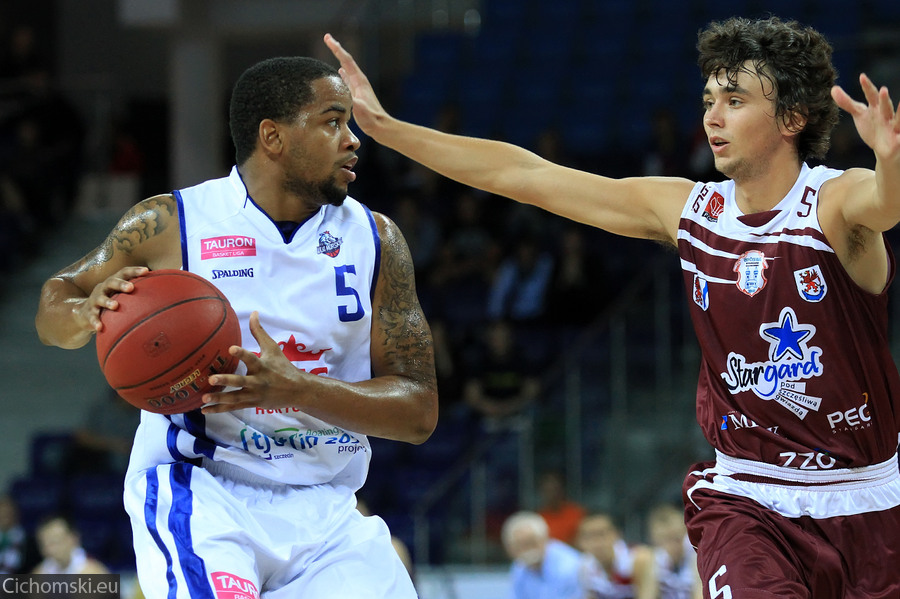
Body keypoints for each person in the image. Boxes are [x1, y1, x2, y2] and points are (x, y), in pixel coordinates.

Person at [326, 14, 900, 598]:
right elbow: (523, 174)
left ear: (792, 118)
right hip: (747, 499)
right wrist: (389, 129)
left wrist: (893, 158)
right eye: (708, 100)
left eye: (735, 100)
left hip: (867, 502)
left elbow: (886, 200)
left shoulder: (833, 204)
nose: (713, 116)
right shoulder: (689, 210)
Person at [34, 56, 438, 598]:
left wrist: (300, 390)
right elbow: (56, 299)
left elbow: (418, 413)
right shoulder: (171, 222)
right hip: (203, 490)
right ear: (272, 136)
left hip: (327, 507)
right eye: (332, 122)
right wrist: (83, 314)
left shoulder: (377, 239)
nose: (352, 140)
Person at [500, 510, 588, 599]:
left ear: (545, 538)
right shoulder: (519, 567)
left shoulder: (569, 566)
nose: (526, 550)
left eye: (531, 543)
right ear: (509, 549)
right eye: (519, 545)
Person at [576, 512, 655, 599]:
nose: (597, 543)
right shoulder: (585, 566)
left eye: (602, 534)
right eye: (589, 537)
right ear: (580, 542)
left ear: (616, 534)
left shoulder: (639, 559)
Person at [646, 503, 701, 599]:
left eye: (676, 539)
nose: (672, 546)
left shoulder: (696, 556)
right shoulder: (655, 558)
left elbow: (700, 595)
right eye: (666, 541)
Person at [31, 515, 109, 575]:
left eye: (55, 542)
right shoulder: (39, 573)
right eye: (44, 544)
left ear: (73, 539)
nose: (49, 550)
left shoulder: (93, 572)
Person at [535, 469, 586, 546]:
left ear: (561, 490)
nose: (551, 494)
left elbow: (583, 539)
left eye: (554, 489)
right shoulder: (538, 518)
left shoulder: (577, 513)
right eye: (547, 490)